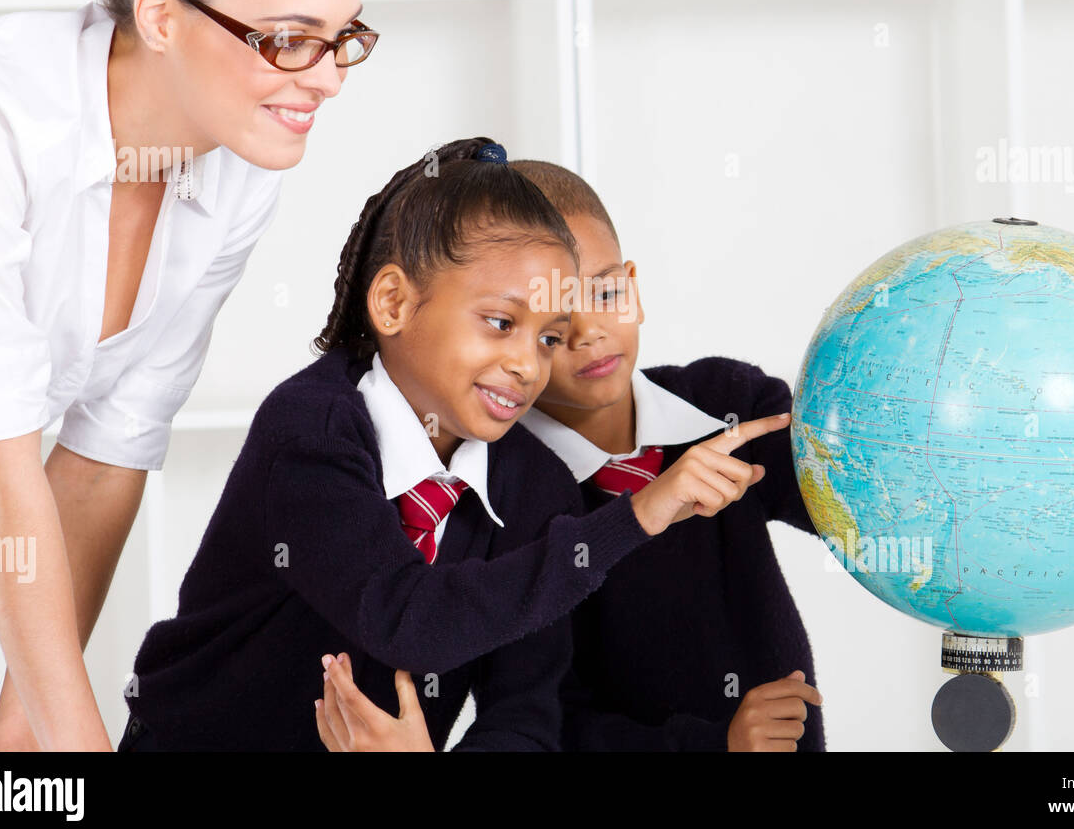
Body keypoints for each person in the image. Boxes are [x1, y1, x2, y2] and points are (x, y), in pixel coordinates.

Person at [117, 138, 787, 751]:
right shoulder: (313, 431)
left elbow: (526, 719)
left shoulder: (535, 486)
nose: (529, 363)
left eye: (546, 337)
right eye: (500, 322)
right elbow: (407, 615)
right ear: (393, 303)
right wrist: (638, 513)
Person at [0, 0, 371, 751]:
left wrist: (24, 734)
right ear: (162, 15)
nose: (325, 77)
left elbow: (100, 460)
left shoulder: (238, 159)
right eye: (290, 38)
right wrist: (80, 753)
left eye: (345, 39)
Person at [510, 157, 827, 752]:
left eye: (604, 293)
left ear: (632, 284)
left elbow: (847, 505)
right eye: (552, 323)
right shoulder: (510, 501)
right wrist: (716, 744)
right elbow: (552, 724)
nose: (589, 333)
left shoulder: (725, 403)